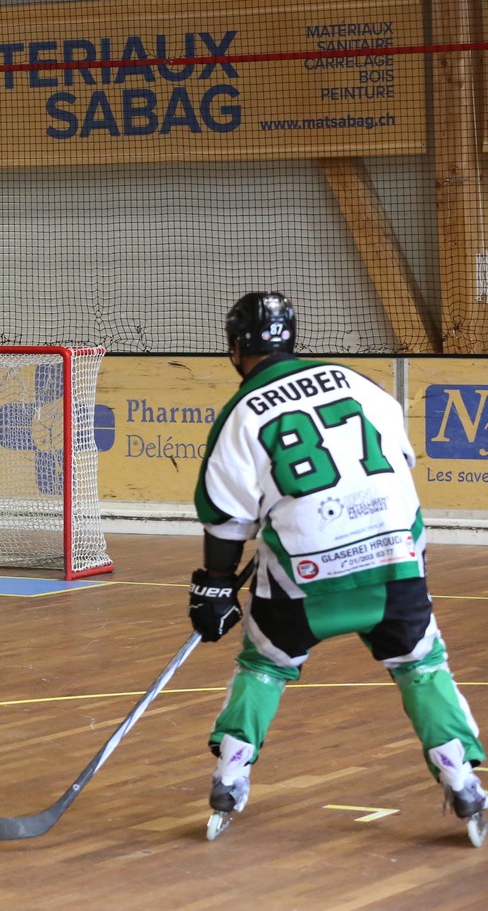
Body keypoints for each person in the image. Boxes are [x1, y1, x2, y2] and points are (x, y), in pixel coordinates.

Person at [188, 291, 486, 844]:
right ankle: (460, 777)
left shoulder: (241, 412)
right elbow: (398, 461)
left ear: (234, 348)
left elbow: (226, 519)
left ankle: (230, 776)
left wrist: (216, 586)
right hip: (392, 557)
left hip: (306, 575)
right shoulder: (359, 383)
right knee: (421, 664)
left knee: (265, 664)